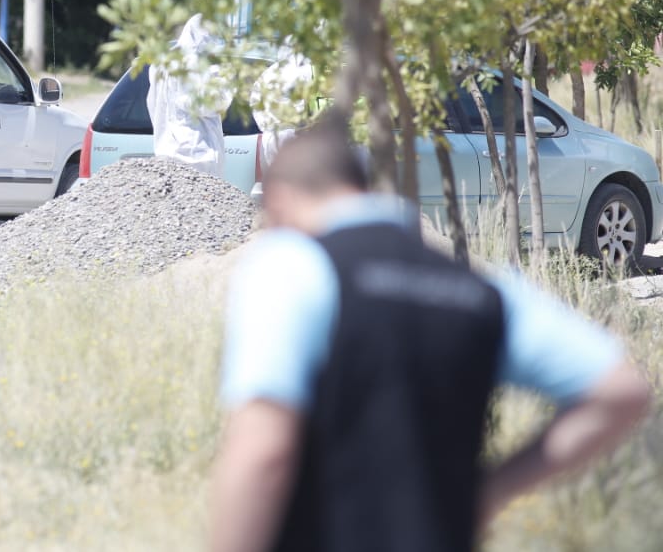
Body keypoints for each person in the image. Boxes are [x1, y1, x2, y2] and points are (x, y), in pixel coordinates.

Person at [210, 118, 651, 552]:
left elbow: (264, 450)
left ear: (280, 200)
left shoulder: (294, 266)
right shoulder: (481, 291)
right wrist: (488, 492)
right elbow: (620, 390)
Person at [147, 14, 233, 178]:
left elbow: (153, 104)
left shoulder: (162, 64)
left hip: (167, 148)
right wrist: (224, 81)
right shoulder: (195, 65)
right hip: (197, 152)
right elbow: (208, 106)